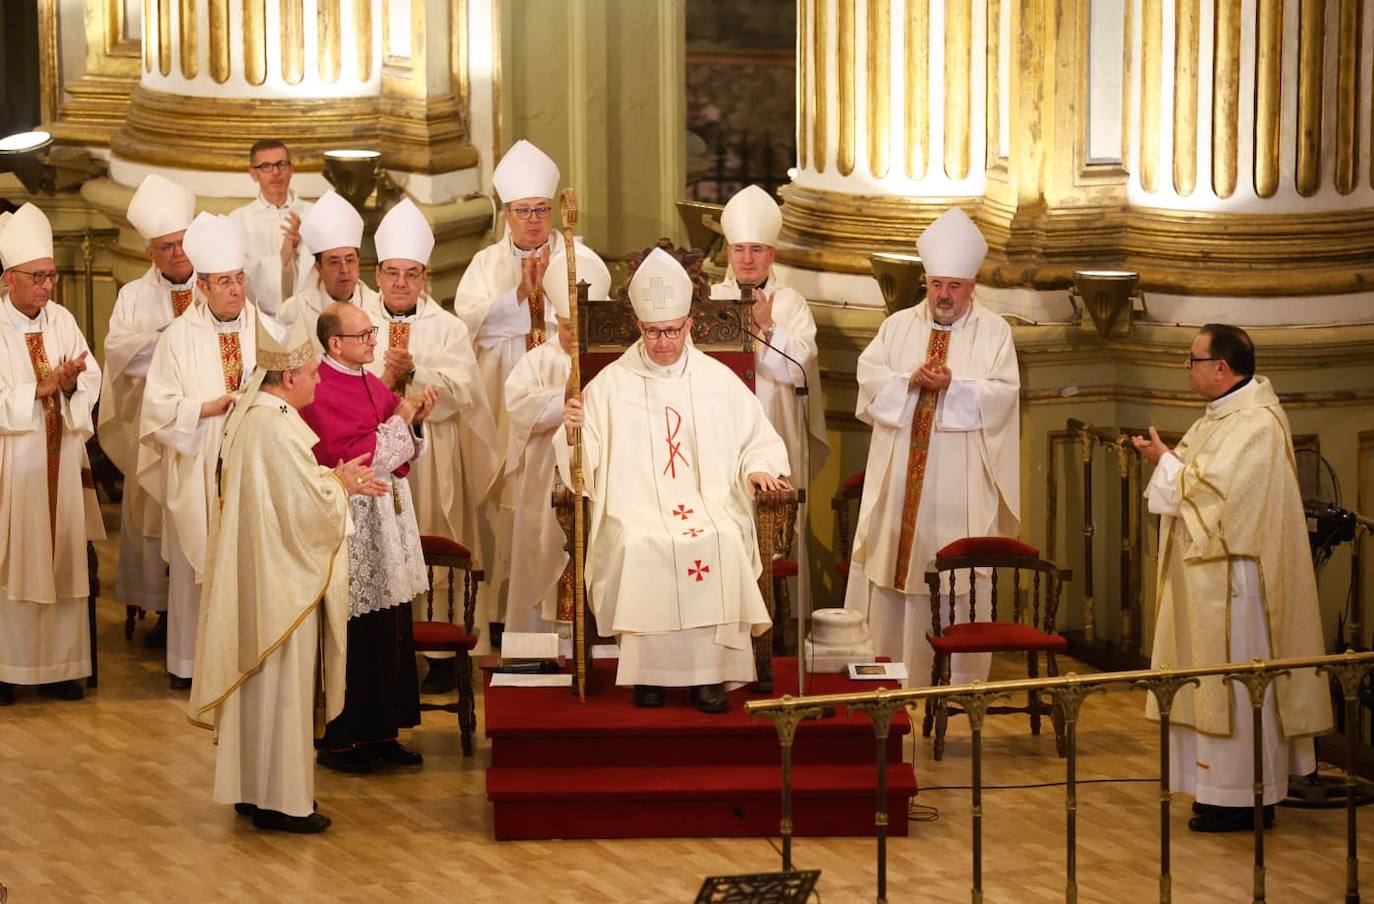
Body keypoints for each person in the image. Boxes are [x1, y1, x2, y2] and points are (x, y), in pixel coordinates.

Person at [560, 248, 790, 713]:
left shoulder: (719, 380)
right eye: (652, 331)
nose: (662, 342)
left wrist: (757, 467)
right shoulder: (609, 385)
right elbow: (584, 462)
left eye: (671, 331)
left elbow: (756, 438)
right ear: (638, 327)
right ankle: (648, 675)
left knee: (724, 538)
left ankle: (711, 675)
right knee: (639, 543)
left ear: (689, 325)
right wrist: (573, 434)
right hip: (638, 508)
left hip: (710, 505)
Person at [189, 311, 384, 834]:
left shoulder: (253, 416)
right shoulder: (274, 427)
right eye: (313, 374)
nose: (318, 382)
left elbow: (287, 489)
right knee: (283, 691)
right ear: (291, 376)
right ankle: (282, 802)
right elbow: (306, 508)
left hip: (260, 572)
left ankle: (252, 789)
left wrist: (330, 477)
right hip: (283, 583)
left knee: (258, 688)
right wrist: (340, 486)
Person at [1132, 324, 1332, 832]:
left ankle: (1246, 796)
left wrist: (1166, 464)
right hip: (1209, 580)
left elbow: (1221, 499)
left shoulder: (1257, 423)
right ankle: (1217, 792)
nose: (1188, 368)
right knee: (1209, 684)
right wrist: (1168, 461)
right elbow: (1197, 478)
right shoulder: (1220, 417)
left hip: (1238, 587)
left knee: (1238, 689)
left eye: (1193, 360)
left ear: (1221, 367)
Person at [842, 208, 1020, 688]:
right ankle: (885, 670)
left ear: (972, 287)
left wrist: (953, 387)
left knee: (950, 572)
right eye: (936, 284)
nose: (943, 295)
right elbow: (869, 380)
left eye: (954, 286)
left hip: (957, 478)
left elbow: (1004, 396)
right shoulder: (898, 326)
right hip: (900, 473)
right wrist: (909, 381)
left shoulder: (995, 332)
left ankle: (955, 681)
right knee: (891, 562)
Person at [362, 198, 499, 691]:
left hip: (433, 453)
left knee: (432, 541)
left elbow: (466, 394)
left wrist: (417, 372)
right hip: (376, 457)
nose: (401, 282)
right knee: (380, 549)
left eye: (411, 273)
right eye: (393, 272)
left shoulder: (448, 328)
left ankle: (441, 656)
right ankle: (386, 652)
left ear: (425, 277)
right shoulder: (355, 323)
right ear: (377, 275)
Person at [301, 302, 436, 773]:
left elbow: (394, 443)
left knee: (389, 624)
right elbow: (355, 456)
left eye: (371, 332)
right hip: (354, 521)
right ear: (335, 343)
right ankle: (344, 741)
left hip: (387, 520)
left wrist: (413, 419)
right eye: (363, 336)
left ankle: (382, 733)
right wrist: (402, 418)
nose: (373, 341)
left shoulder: (367, 380)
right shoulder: (321, 388)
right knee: (357, 633)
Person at [137, 212, 257, 690]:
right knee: (196, 564)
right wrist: (205, 408)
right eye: (225, 282)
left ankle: (241, 661)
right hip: (199, 463)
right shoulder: (178, 337)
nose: (236, 289)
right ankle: (189, 663)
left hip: (252, 465)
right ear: (203, 287)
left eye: (239, 278)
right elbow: (156, 409)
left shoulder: (264, 329)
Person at [451, 139, 563, 641]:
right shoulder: (485, 264)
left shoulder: (577, 258)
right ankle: (501, 617)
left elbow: (582, 325)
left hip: (559, 406)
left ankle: (558, 618)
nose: (534, 220)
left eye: (541, 209)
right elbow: (469, 326)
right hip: (502, 403)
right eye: (524, 211)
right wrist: (518, 296)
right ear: (508, 215)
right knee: (502, 506)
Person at [711, 184, 829, 624]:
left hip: (776, 430)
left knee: (778, 535)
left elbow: (798, 369)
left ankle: (783, 628)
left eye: (756, 249)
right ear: (728, 252)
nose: (747, 259)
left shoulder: (791, 304)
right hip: (722, 437)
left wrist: (764, 328)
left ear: (771, 254)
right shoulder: (710, 301)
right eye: (739, 249)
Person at [0, 203, 103, 705]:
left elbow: (91, 375)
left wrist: (72, 383)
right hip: (14, 466)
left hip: (61, 462)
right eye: (37, 276)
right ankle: (7, 669)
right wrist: (37, 390)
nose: (46, 286)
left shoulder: (62, 320)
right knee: (16, 561)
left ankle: (62, 668)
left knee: (63, 559)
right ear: (9, 279)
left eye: (51, 275)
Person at [98, 174, 198, 648]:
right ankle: (162, 609)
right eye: (166, 247)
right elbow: (120, 352)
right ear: (150, 254)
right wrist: (173, 340)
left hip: (204, 427)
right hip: (153, 426)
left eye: (182, 243)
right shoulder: (134, 297)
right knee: (153, 512)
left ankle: (200, 610)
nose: (177, 254)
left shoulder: (216, 286)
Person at [502, 242, 610, 635]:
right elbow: (518, 408)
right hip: (546, 482)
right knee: (543, 556)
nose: (574, 337)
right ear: (556, 320)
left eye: (581, 327)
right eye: (567, 327)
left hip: (599, 481)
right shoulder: (538, 360)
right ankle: (540, 647)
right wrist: (561, 397)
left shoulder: (612, 360)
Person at [277, 189, 382, 348]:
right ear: (318, 267)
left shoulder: (378, 307)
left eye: (350, 260)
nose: (344, 269)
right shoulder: (294, 311)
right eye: (334, 262)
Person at [228, 139, 313, 316]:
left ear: (291, 169)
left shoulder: (313, 214)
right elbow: (235, 278)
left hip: (307, 316)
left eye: (281, 164)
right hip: (257, 318)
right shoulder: (238, 220)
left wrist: (299, 251)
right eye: (266, 166)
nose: (275, 172)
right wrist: (282, 259)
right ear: (253, 174)